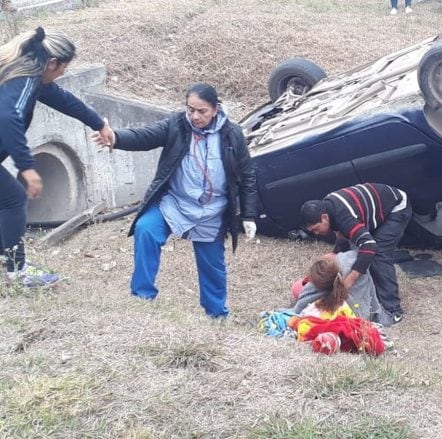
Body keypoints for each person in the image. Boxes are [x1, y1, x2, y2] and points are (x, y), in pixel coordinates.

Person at [91, 83, 258, 317]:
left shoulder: (232, 133)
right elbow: (145, 136)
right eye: (190, 109)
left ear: (216, 109)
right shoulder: (177, 125)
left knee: (213, 266)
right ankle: (142, 297)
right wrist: (115, 138)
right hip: (175, 202)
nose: (195, 116)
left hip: (211, 209)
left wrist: (249, 214)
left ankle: (217, 315)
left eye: (202, 111)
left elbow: (247, 173)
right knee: (146, 229)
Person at [0, 27, 114, 286]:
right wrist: (27, 168)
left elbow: (64, 100)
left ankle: (7, 257)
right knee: (13, 198)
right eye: (64, 67)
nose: (64, 73)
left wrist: (99, 124)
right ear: (52, 63)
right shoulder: (24, 81)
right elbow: (8, 119)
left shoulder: (33, 78)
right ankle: (17, 272)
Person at [300, 183, 411, 323]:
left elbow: (369, 247)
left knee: (378, 254)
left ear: (324, 217)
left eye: (316, 229)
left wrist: (348, 282)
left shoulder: (343, 216)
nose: (316, 233)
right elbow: (343, 237)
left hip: (397, 207)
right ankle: (376, 292)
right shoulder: (328, 207)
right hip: (375, 206)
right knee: (357, 251)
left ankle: (393, 310)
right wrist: (333, 261)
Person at [292, 251, 394, 326]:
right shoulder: (354, 261)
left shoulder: (316, 289)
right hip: (364, 312)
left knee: (296, 288)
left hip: (344, 314)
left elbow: (297, 310)